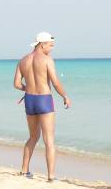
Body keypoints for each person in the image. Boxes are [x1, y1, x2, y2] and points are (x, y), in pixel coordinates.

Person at [13, 32, 70, 181]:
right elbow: (55, 82)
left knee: (33, 137)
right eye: (51, 45)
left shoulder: (23, 60)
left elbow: (17, 84)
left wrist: (28, 88)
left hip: (30, 100)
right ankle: (51, 176)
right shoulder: (47, 60)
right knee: (49, 140)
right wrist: (65, 96)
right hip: (44, 99)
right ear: (42, 44)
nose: (52, 48)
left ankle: (24, 171)